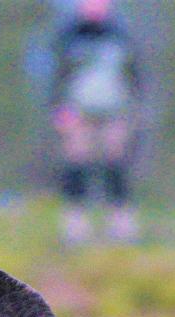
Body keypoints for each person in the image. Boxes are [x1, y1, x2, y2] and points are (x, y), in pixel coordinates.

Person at [49, 0, 144, 244]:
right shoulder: (68, 35)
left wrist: (135, 108)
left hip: (116, 110)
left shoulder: (121, 34)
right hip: (77, 110)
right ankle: (75, 224)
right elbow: (58, 74)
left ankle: (121, 223)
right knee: (76, 164)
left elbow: (134, 74)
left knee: (116, 164)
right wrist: (59, 107)